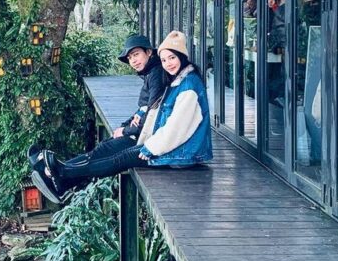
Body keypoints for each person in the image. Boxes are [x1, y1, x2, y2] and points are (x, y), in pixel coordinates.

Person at [29, 31, 213, 204]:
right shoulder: (177, 80)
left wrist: (147, 146)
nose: (168, 63)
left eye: (172, 58)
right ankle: (60, 177)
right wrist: (133, 126)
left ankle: (60, 172)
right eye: (164, 59)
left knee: (119, 158)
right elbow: (154, 111)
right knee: (111, 153)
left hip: (182, 154)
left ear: (182, 56)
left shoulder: (188, 86)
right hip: (171, 147)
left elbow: (175, 129)